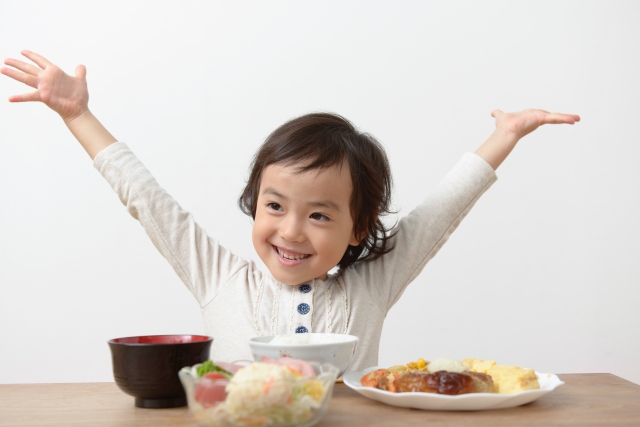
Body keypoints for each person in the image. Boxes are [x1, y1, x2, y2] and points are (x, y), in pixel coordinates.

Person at [1, 51, 579, 371]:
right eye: (274, 206)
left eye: (321, 216)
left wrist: (505, 136)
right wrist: (77, 115)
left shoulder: (373, 283)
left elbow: (441, 211)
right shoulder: (219, 277)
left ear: (358, 228)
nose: (291, 231)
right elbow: (147, 201)